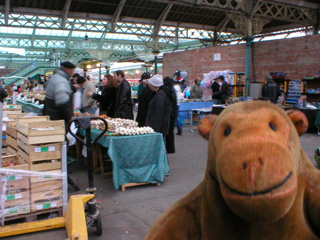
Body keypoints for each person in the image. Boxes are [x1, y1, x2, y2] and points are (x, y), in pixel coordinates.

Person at [164, 77, 178, 154]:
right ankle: (171, 148)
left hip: (170, 113)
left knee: (168, 131)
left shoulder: (168, 91)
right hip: (174, 112)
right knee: (171, 131)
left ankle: (169, 148)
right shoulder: (173, 91)